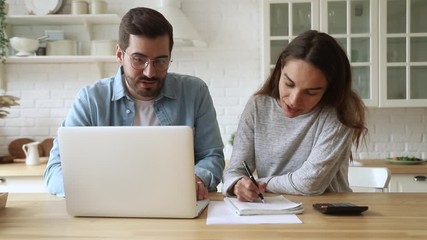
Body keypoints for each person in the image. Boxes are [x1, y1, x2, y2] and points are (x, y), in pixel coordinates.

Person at [44, 7, 225, 199]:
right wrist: (98, 188)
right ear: (120, 55)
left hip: (177, 203)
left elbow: (212, 156)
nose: (150, 72)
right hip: (109, 209)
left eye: (161, 61)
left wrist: (196, 179)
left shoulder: (195, 92)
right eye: (139, 59)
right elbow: (56, 169)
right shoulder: (90, 100)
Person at [222, 30, 367, 202]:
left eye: (311, 92)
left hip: (328, 214)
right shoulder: (258, 105)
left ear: (329, 88)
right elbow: (235, 171)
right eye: (289, 84)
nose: (294, 100)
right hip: (271, 211)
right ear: (280, 69)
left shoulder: (339, 113)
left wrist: (261, 183)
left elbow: (310, 183)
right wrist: (238, 184)